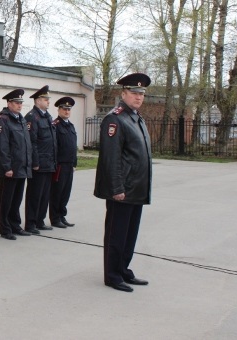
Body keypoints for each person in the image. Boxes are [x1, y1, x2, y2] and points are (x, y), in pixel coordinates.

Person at [94, 73, 152, 292]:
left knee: (130, 234)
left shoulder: (135, 118)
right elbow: (111, 158)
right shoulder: (115, 119)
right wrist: (116, 188)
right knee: (116, 234)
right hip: (123, 190)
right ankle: (112, 275)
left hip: (137, 188)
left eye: (141, 94)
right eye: (134, 93)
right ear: (123, 93)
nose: (138, 97)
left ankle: (123, 268)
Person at [0, 89, 33, 240]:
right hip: (10, 168)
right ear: (9, 103)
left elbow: (25, 144)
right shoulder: (3, 120)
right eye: (16, 103)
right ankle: (5, 228)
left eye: (21, 103)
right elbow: (2, 146)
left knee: (17, 199)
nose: (19, 105)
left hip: (21, 166)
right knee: (6, 199)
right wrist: (7, 167)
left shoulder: (21, 119)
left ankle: (15, 225)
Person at [24, 85, 56, 234]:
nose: (48, 101)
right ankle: (30, 224)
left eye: (48, 99)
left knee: (44, 195)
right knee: (34, 195)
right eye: (45, 99)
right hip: (39, 164)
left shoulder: (47, 117)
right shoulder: (32, 117)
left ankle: (40, 221)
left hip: (49, 162)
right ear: (37, 101)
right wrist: (35, 162)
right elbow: (32, 142)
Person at [49, 97, 77, 229]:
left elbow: (73, 146)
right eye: (64, 109)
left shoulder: (71, 126)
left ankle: (62, 215)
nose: (67, 111)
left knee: (66, 192)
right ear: (59, 110)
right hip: (59, 165)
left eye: (69, 109)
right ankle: (55, 218)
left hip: (69, 165)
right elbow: (54, 146)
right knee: (57, 192)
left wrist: (74, 163)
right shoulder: (55, 125)